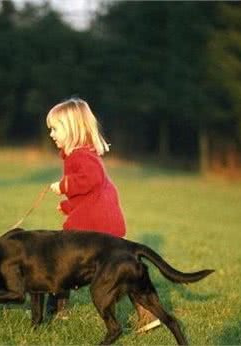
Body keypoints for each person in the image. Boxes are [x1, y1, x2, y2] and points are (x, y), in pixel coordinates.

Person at [45, 97, 161, 333]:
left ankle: (57, 310)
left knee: (59, 261)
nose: (51, 134)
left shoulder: (79, 156)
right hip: (107, 223)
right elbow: (91, 195)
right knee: (120, 269)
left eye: (55, 128)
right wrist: (67, 207)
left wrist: (64, 185)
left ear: (73, 129)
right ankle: (148, 315)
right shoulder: (85, 154)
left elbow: (90, 180)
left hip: (92, 228)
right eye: (50, 129)